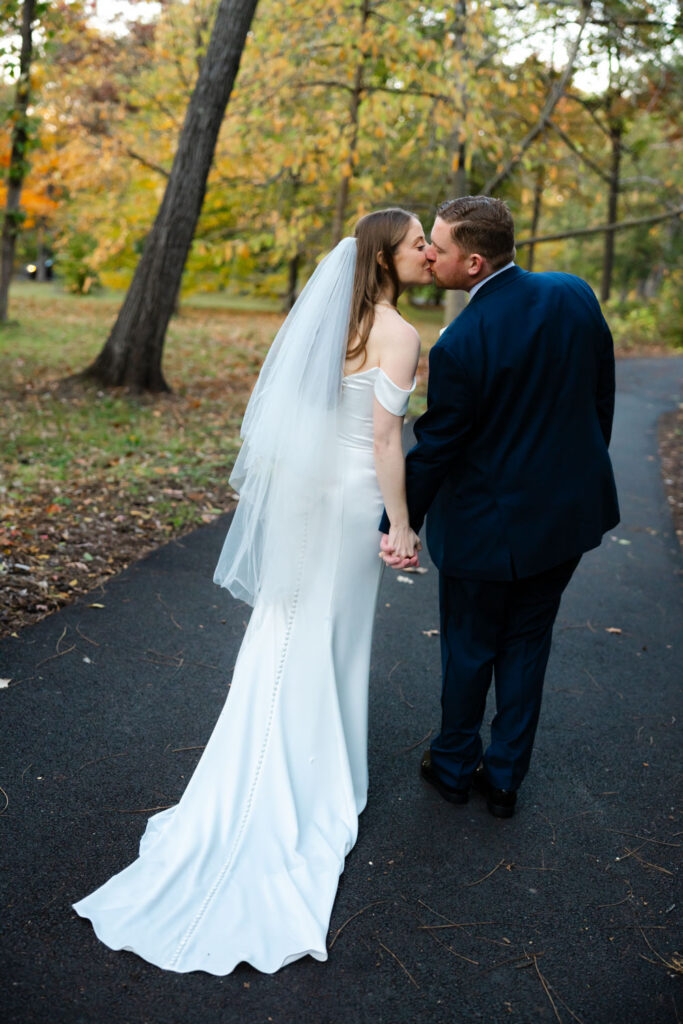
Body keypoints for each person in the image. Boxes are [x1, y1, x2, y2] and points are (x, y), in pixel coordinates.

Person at [72, 209, 428, 974]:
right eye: (415, 243)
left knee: (287, 627)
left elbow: (299, 415)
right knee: (330, 636)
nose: (424, 251)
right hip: (347, 502)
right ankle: (308, 778)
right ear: (384, 258)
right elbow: (383, 439)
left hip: (306, 498)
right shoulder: (398, 335)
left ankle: (272, 762)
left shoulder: (332, 322)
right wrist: (400, 524)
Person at [382, 196, 619, 818]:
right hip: (566, 518)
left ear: (476, 262)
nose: (430, 253)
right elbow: (601, 400)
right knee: (527, 644)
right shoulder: (574, 294)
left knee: (470, 647)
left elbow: (437, 447)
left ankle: (455, 766)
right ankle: (506, 777)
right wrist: (581, 474)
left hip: (485, 530)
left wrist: (397, 521)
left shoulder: (462, 341)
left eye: (440, 246)